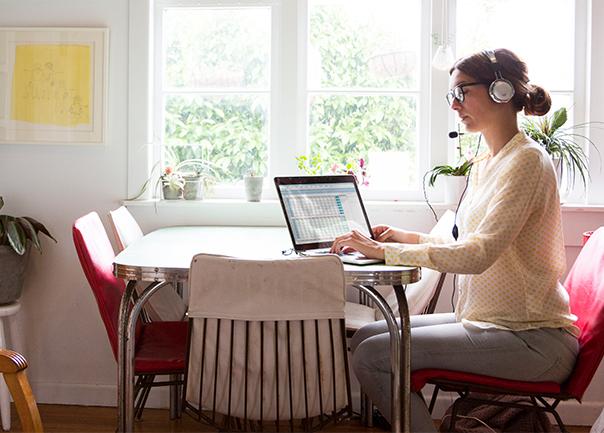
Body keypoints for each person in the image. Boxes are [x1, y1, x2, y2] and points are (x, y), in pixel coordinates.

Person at [330, 48, 579, 432]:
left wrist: (383, 251)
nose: (454, 104)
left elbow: (477, 255)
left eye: (462, 91)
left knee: (374, 356)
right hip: (490, 324)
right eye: (452, 95)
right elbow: (468, 241)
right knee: (367, 335)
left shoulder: (527, 161)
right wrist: (404, 236)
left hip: (532, 340)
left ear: (501, 90)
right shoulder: (488, 163)